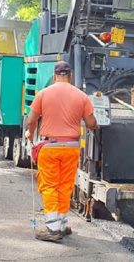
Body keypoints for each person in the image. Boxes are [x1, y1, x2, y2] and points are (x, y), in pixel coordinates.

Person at [25, 61, 99, 242]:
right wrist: (95, 126)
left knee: (49, 186)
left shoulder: (43, 94)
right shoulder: (82, 96)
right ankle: (63, 224)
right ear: (70, 76)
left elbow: (31, 120)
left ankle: (52, 228)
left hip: (50, 147)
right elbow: (91, 124)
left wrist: (30, 132)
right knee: (65, 186)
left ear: (55, 75)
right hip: (72, 148)